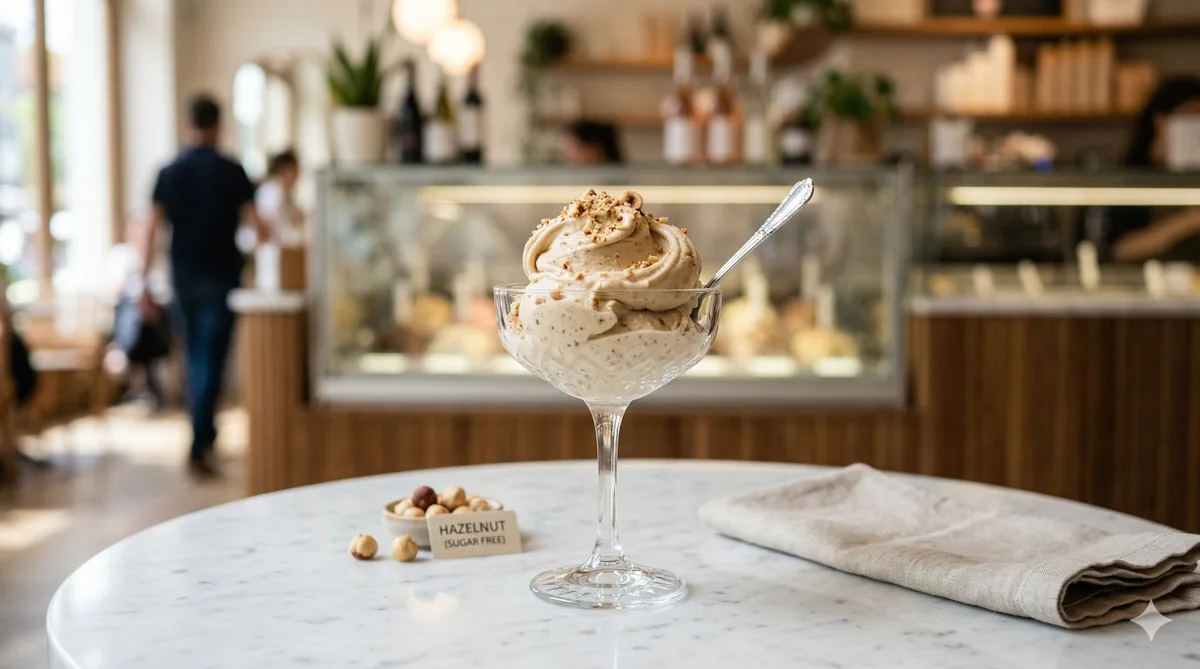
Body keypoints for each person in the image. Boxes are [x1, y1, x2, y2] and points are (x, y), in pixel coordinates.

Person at [141, 94, 270, 477]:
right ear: (218, 126)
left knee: (195, 357)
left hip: (182, 278)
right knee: (210, 359)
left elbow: (150, 229)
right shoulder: (232, 171)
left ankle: (201, 437)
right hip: (221, 278)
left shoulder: (169, 171)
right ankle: (201, 441)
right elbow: (259, 228)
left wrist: (142, 282)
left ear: (186, 125)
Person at [1109, 76, 1200, 262]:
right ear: (1160, 121)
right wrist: (1190, 221)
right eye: (1190, 118)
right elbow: (1119, 250)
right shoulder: (1131, 176)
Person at [255, 149, 304, 242]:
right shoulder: (270, 192)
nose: (298, 175)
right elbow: (265, 226)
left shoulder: (286, 194)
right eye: (295, 170)